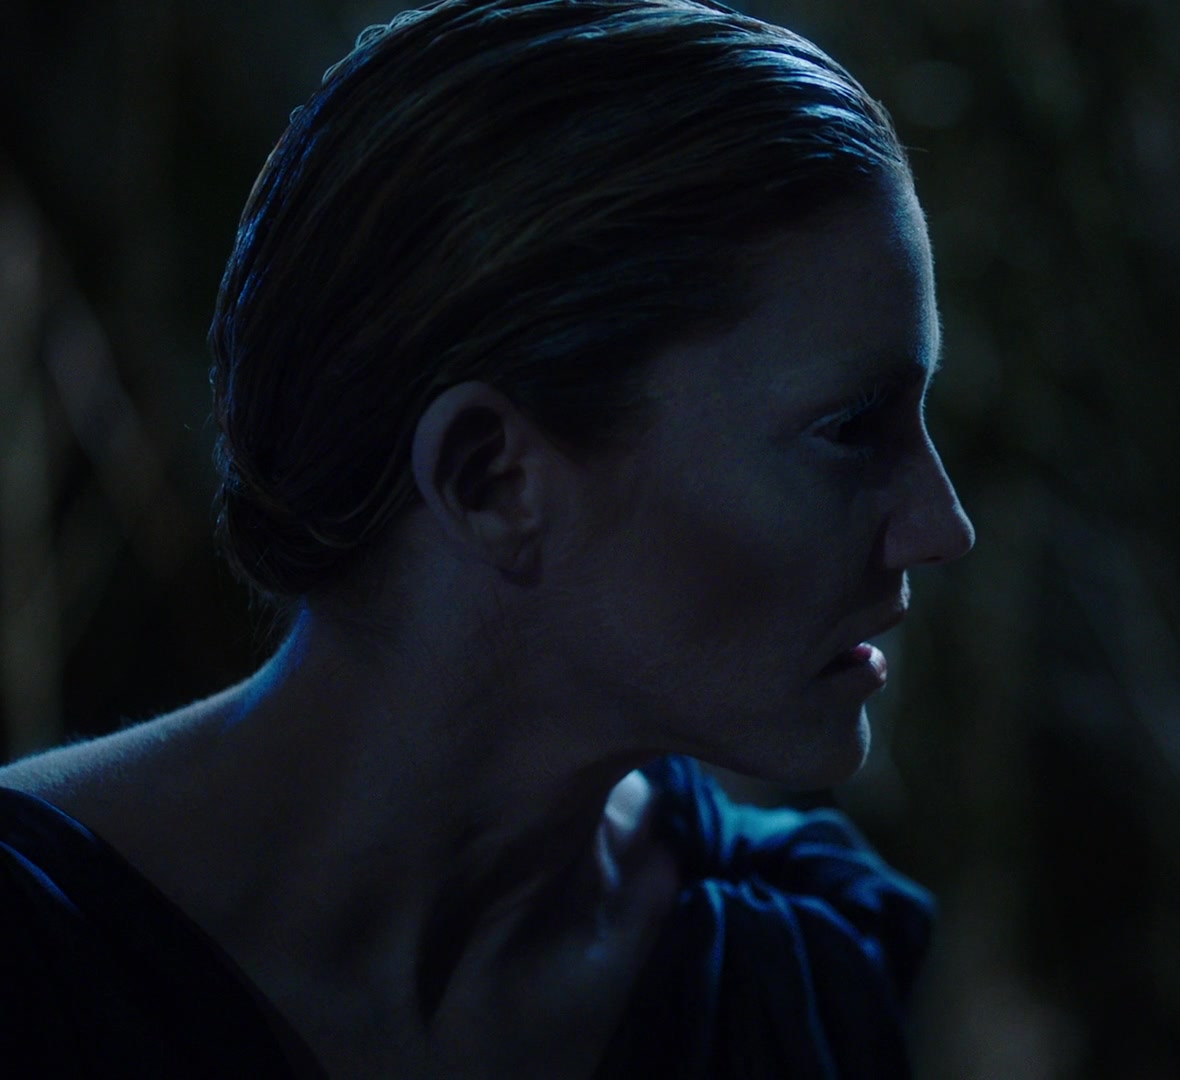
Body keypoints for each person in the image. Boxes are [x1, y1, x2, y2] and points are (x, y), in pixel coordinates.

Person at [0, 0, 974, 1075]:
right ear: (493, 479)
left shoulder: (800, 966)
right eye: (851, 429)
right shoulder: (28, 970)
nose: (942, 526)